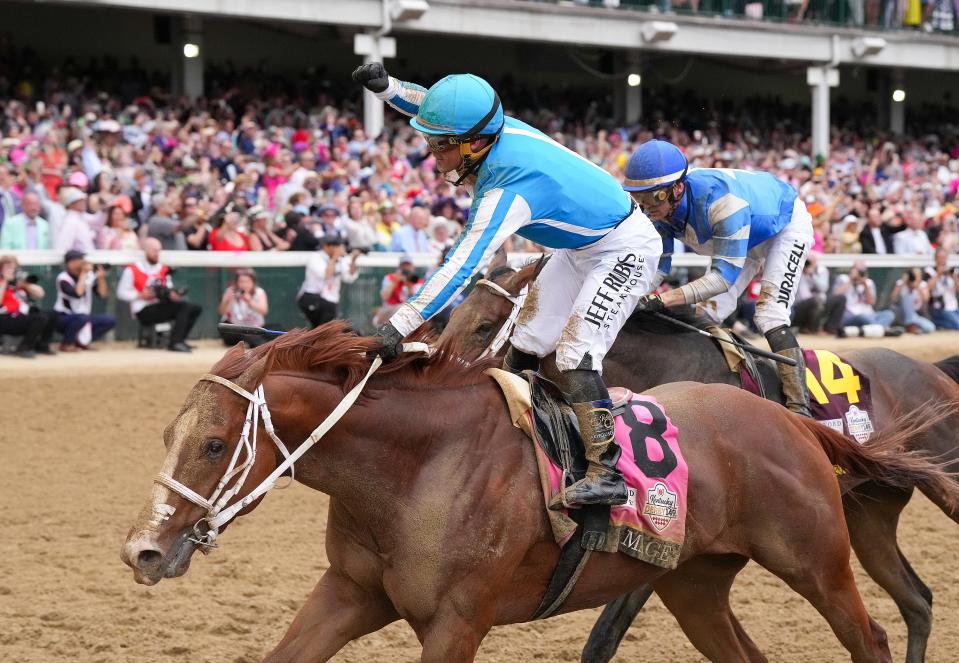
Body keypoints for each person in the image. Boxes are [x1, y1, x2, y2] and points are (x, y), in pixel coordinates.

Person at [354, 63, 661, 512]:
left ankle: (606, 472)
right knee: (529, 336)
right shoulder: (488, 128)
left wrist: (398, 326)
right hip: (582, 247)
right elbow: (434, 109)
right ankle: (512, 435)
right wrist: (388, 90)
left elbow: (461, 265)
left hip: (624, 248)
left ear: (476, 145)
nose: (432, 156)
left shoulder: (508, 190)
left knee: (575, 352)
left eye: (441, 148)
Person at [621, 139, 814, 418]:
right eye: (640, 198)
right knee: (708, 313)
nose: (647, 207)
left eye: (655, 198)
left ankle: (800, 409)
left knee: (769, 315)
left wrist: (662, 300)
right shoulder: (658, 212)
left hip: (783, 227)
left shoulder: (723, 203)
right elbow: (658, 268)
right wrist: (632, 295)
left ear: (677, 189)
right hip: (742, 234)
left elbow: (722, 279)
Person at [117, 238, 202, 352]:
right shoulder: (133, 269)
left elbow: (167, 289)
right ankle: (175, 342)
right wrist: (140, 295)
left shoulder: (162, 269)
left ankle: (180, 339)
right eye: (154, 251)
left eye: (158, 251)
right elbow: (121, 292)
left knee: (195, 308)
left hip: (160, 305)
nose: (157, 254)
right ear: (146, 251)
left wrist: (172, 295)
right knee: (183, 307)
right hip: (142, 309)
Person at [53, 250, 116, 351]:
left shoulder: (88, 276)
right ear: (71, 263)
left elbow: (102, 295)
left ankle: (81, 343)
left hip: (83, 316)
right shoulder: (63, 278)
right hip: (64, 316)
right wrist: (83, 273)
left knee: (109, 320)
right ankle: (67, 343)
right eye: (80, 260)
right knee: (82, 318)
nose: (83, 262)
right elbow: (77, 294)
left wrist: (101, 278)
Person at [296, 236, 361, 328]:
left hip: (330, 300)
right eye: (335, 246)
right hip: (312, 297)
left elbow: (349, 277)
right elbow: (326, 274)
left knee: (323, 329)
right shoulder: (316, 257)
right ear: (326, 246)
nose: (338, 248)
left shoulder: (340, 259)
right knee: (322, 329)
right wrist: (334, 258)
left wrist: (353, 260)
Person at [0, 255, 57, 357]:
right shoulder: (1, 282)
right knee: (39, 318)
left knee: (53, 314)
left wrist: (25, 284)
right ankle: (24, 348)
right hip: (5, 318)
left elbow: (40, 294)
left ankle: (42, 346)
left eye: (14, 268)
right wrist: (4, 281)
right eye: (8, 267)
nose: (11, 270)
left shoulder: (19, 283)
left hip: (21, 316)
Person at [829, 261, 897, 337]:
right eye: (857, 270)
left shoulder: (869, 283)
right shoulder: (843, 279)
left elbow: (871, 302)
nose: (859, 273)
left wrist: (864, 284)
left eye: (862, 270)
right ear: (852, 270)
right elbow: (836, 295)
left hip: (870, 315)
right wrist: (850, 280)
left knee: (889, 314)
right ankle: (882, 330)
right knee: (862, 317)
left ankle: (875, 330)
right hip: (850, 316)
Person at [218, 269, 272, 347]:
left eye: (247, 281)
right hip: (236, 329)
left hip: (255, 327)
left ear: (253, 283)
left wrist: (250, 301)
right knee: (241, 335)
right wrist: (228, 301)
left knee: (274, 331)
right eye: (241, 281)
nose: (244, 284)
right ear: (236, 283)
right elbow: (222, 312)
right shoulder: (230, 291)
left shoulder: (259, 292)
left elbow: (264, 311)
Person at [891, 267, 935, 334]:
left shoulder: (922, 285)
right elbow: (893, 297)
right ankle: (910, 325)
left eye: (918, 275)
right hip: (901, 314)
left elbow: (926, 300)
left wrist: (917, 287)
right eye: (914, 275)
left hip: (916, 315)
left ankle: (911, 326)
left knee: (930, 327)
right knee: (907, 297)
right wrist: (903, 282)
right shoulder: (901, 283)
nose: (915, 277)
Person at [926, 246, 959, 329]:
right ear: (935, 258)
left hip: (953, 306)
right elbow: (928, 288)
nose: (942, 260)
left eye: (944, 258)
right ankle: (936, 322)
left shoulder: (952, 271)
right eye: (940, 258)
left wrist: (954, 278)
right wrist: (938, 274)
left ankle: (939, 324)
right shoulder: (929, 271)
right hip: (939, 308)